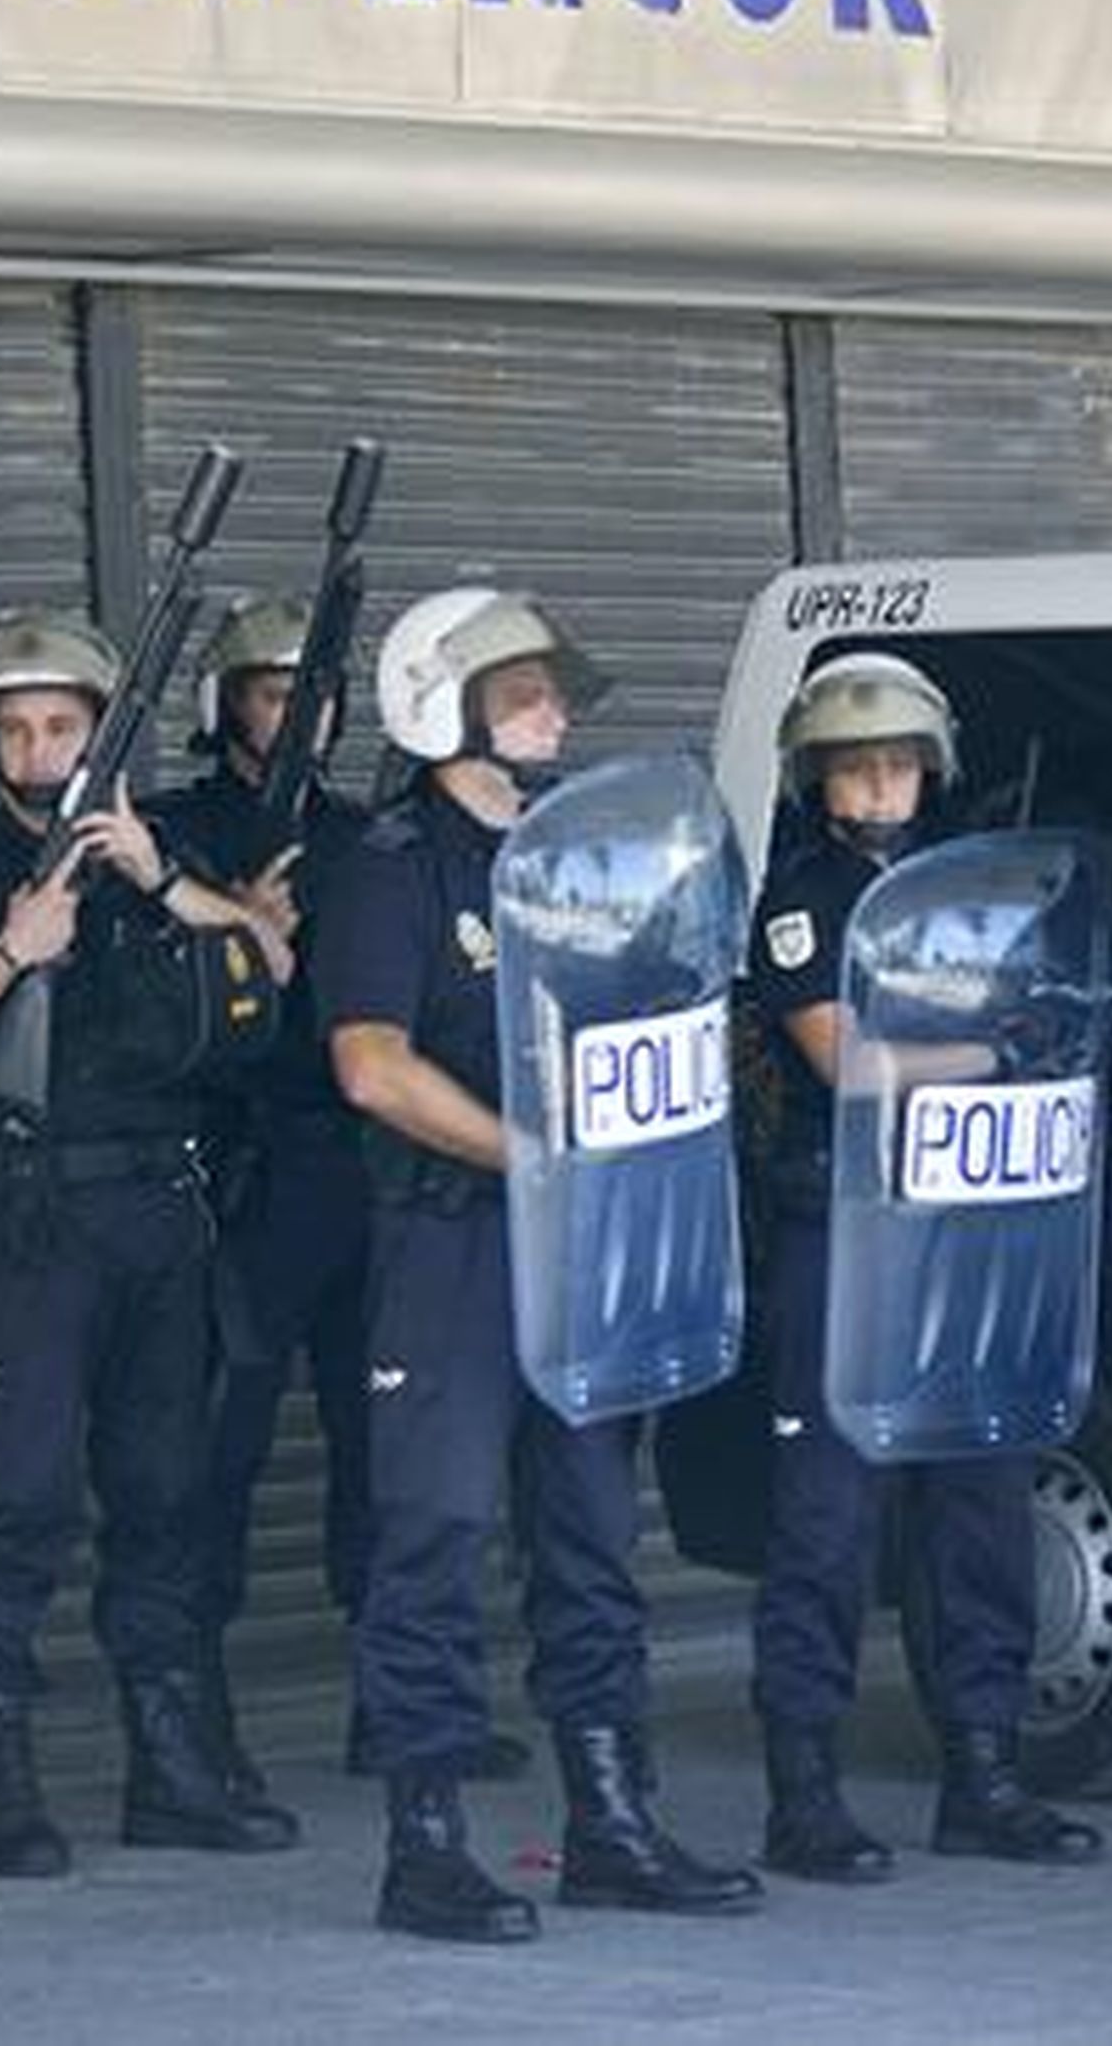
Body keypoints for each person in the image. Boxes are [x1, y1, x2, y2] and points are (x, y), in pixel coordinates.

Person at [320, 587, 763, 1943]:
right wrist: (535, 1157)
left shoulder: (584, 860)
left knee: (590, 1540)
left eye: (552, 693)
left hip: (585, 1249)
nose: (554, 713)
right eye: (523, 694)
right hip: (451, 1247)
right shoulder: (392, 868)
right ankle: (426, 1848)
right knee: (435, 1539)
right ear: (438, 708)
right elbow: (371, 1066)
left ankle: (612, 1827)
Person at [0, 609, 297, 1878]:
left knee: (165, 1500)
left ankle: (169, 1774)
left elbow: (269, 963)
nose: (40, 749)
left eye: (63, 725)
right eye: (15, 728)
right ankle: (1, 1786)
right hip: (32, 1226)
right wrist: (14, 947)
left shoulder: (158, 856)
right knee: (16, 1507)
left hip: (161, 1218)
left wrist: (158, 877)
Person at [152, 594, 527, 1824]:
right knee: (217, 1457)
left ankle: (400, 1710)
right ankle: (195, 1732)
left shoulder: (370, 843)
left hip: (366, 1175)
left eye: (310, 696)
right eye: (271, 694)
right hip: (246, 1181)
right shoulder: (172, 836)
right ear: (225, 708)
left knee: (388, 1459)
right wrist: (226, 924)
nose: (294, 717)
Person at [747, 650, 1104, 1878]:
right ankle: (803, 1793)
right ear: (818, 779)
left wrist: (1004, 1046)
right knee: (827, 1522)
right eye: (856, 768)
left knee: (982, 1509)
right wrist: (988, 1054)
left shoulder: (978, 890)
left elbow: (1057, 1006)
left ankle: (984, 1774)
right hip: (844, 1238)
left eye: (898, 765)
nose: (879, 787)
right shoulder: (800, 898)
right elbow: (847, 1063)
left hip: (967, 1229)